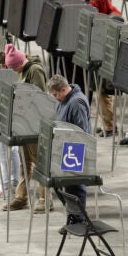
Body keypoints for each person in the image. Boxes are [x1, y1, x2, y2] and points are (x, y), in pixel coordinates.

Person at [2, 44, 51, 213]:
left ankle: (45, 199)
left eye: (14, 66)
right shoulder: (23, 70)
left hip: (35, 124)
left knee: (40, 162)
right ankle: (21, 197)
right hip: (24, 123)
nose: (13, 70)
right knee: (25, 161)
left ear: (20, 62)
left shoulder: (35, 70)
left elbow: (39, 96)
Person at [46, 74, 90, 225]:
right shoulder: (64, 100)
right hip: (63, 148)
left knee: (75, 186)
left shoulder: (76, 103)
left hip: (75, 150)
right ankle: (73, 214)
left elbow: (81, 132)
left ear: (64, 89)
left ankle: (78, 219)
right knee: (57, 183)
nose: (55, 98)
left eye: (56, 94)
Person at [0, 51, 21, 199]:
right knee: (5, 150)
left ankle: (9, 182)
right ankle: (8, 182)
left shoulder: (10, 79)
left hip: (11, 117)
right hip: (4, 116)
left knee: (10, 150)